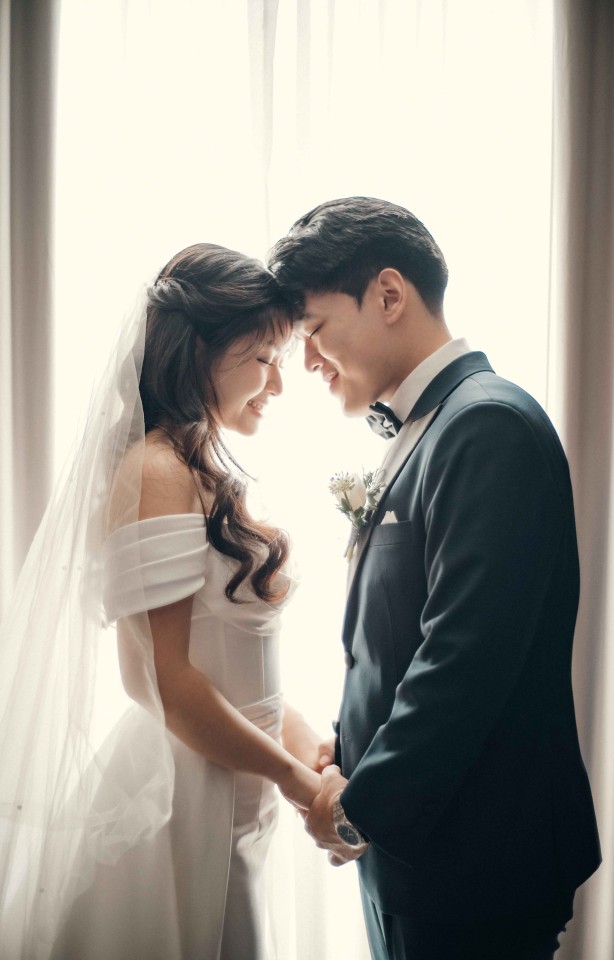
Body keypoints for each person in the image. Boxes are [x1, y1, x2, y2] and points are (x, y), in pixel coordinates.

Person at [267, 198, 602, 960]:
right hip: (418, 855)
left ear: (389, 294)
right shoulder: (434, 424)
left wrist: (357, 809)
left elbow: (463, 660)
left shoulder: (487, 426)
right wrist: (350, 747)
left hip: (476, 862)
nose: (307, 362)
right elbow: (401, 634)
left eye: (314, 331)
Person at [0, 243, 326, 960]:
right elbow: (161, 678)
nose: (278, 383)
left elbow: (233, 662)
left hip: (237, 783)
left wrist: (302, 742)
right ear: (202, 352)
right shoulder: (157, 469)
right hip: (186, 795)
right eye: (265, 358)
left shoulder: (201, 467)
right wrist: (298, 782)